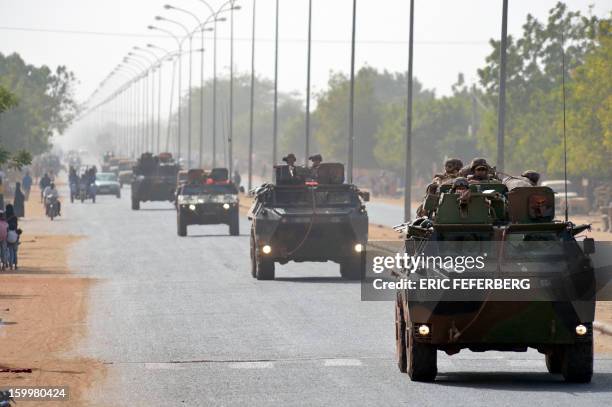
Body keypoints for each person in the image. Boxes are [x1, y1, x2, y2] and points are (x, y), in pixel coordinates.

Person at [5, 204, 19, 270]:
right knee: (15, 251)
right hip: (15, 235)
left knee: (9, 250)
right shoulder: (15, 217)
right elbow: (16, 227)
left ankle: (10, 264)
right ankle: (15, 265)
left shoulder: (5, 217)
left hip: (7, 235)